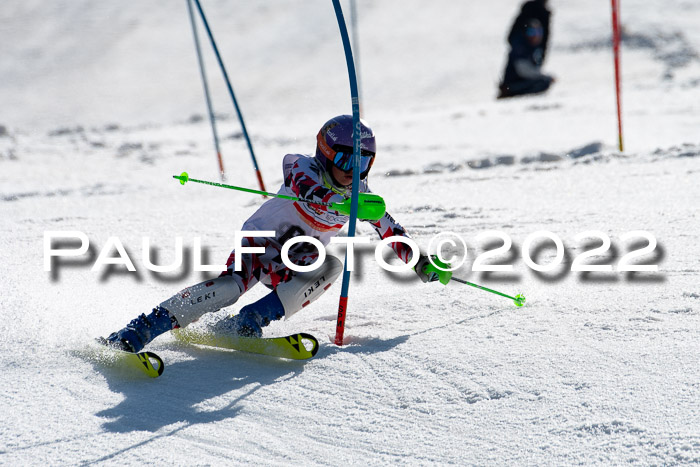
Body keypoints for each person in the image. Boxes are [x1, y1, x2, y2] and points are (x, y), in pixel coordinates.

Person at [103, 115, 451, 353]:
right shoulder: (302, 166)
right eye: (346, 161)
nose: (352, 172)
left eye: (362, 163)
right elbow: (304, 184)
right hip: (261, 243)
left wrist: (419, 261)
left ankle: (248, 322)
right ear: (326, 154)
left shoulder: (361, 194)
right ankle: (142, 328)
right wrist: (341, 203)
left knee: (331, 266)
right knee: (229, 288)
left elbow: (389, 228)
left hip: (297, 259)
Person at [498, 0, 554, 99]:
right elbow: (523, 69)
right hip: (513, 84)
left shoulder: (533, 47)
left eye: (538, 32)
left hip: (522, 81)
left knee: (544, 82)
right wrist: (543, 76)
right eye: (531, 32)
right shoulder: (521, 46)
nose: (535, 36)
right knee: (543, 82)